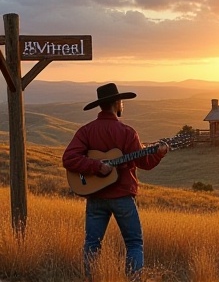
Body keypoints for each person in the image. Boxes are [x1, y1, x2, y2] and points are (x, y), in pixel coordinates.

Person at [62, 83, 169, 282]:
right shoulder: (127, 132)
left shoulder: (86, 131)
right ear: (117, 103)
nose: (122, 104)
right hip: (122, 197)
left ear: (101, 105)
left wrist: (90, 167)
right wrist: (159, 154)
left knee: (92, 243)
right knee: (134, 244)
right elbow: (144, 163)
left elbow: (69, 158)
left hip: (95, 196)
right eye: (121, 101)